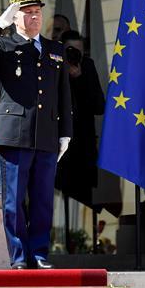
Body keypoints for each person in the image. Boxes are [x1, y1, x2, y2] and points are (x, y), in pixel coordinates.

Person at [0, 0, 72, 269]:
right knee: (14, 201)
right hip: (15, 134)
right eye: (27, 13)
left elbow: (63, 94)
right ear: (15, 17)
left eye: (37, 12)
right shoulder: (4, 46)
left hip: (46, 134)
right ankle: (18, 256)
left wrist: (66, 131)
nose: (34, 18)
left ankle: (39, 253)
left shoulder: (55, 50)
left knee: (42, 198)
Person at [54, 30, 104, 210]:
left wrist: (80, 78)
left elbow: (99, 106)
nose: (74, 55)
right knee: (57, 203)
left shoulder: (87, 66)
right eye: (70, 50)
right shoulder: (53, 64)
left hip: (83, 149)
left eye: (78, 51)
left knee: (83, 202)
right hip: (58, 148)